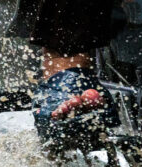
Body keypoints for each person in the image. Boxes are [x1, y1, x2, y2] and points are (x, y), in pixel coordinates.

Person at [7, 0, 121, 149]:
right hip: (84, 76)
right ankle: (84, 90)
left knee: (59, 46)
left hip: (62, 82)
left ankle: (69, 91)